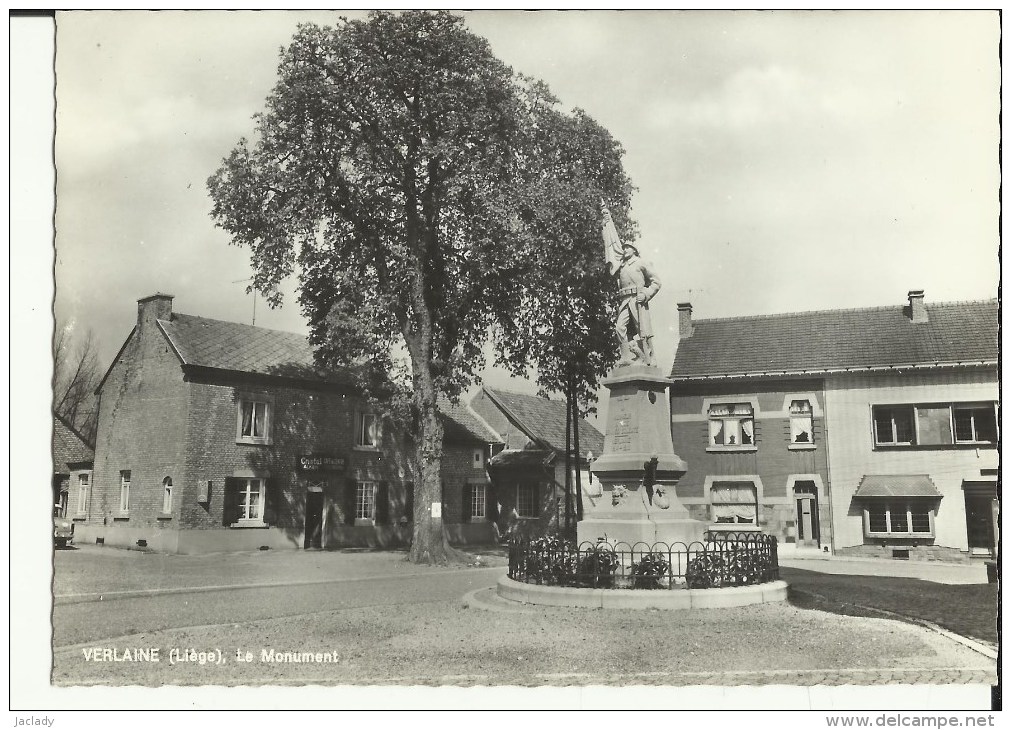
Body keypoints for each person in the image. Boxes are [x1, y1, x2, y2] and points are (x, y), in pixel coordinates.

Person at [602, 204, 662, 366]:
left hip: (638, 299)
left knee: (644, 331)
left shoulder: (641, 263)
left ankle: (650, 358)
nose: (625, 249)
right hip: (625, 300)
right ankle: (626, 356)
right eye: (624, 247)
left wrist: (647, 294)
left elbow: (656, 282)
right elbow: (612, 252)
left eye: (628, 247)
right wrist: (607, 223)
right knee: (619, 328)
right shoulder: (621, 266)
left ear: (634, 250)